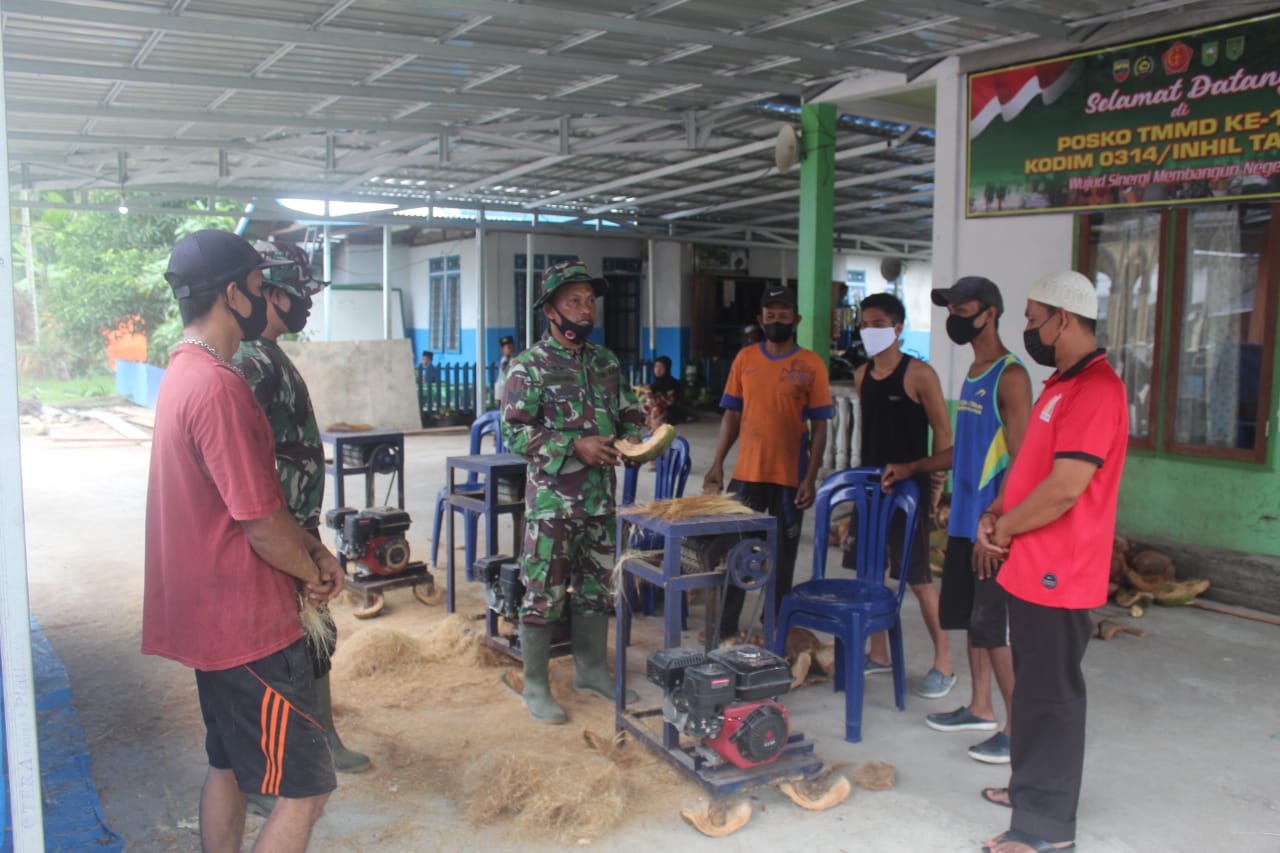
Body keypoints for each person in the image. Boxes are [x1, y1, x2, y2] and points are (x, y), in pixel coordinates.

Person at [142, 229, 344, 853]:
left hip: (211, 621)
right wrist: (312, 569)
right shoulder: (220, 386)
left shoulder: (182, 373)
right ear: (232, 294)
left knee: (227, 765)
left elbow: (254, 505)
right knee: (306, 792)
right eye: (259, 286)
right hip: (247, 625)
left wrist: (308, 546)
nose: (266, 298)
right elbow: (258, 522)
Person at [977, 272, 1128, 853]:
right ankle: (1029, 789)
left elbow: (1066, 488)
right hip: (1031, 563)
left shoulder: (1097, 390)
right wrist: (996, 510)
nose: (1028, 329)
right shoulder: (1061, 384)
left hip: (1060, 568)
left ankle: (1044, 829)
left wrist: (1004, 530)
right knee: (1034, 687)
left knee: (1051, 695)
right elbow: (1032, 467)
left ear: (1063, 319)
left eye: (1033, 318)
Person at [235, 242, 372, 818]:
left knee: (312, 636)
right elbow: (243, 460)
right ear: (270, 293)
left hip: (295, 528)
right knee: (271, 647)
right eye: (300, 295)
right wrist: (284, 537)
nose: (308, 306)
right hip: (273, 533)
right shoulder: (250, 361)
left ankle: (320, 740)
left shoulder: (271, 355)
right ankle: (261, 771)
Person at [501, 260, 647, 724]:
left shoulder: (605, 362)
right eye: (574, 302)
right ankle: (535, 684)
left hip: (600, 500)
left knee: (596, 588)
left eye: (589, 301)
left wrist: (636, 436)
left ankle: (591, 670)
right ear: (550, 310)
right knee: (543, 591)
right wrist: (573, 446)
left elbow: (627, 411)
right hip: (553, 505)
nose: (586, 310)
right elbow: (514, 433)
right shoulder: (529, 367)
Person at [910, 277, 1031, 765]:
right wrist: (916, 468)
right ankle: (980, 707)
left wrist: (997, 521)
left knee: (994, 629)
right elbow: (968, 450)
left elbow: (1023, 460)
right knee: (973, 624)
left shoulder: (1010, 375)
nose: (954, 317)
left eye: (963, 309)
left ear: (990, 313)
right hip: (963, 522)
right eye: (950, 309)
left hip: (989, 529)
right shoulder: (974, 371)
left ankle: (1018, 731)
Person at [704, 285, 831, 643]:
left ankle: (775, 625)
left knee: (783, 557)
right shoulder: (745, 359)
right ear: (760, 321)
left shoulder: (812, 365)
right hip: (747, 475)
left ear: (796, 319)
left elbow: (820, 426)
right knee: (735, 551)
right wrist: (717, 462)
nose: (777, 321)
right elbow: (732, 414)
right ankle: (726, 627)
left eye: (784, 315)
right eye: (771, 315)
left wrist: (810, 477)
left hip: (790, 479)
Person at [852, 292, 955, 699]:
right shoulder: (862, 375)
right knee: (869, 573)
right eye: (865, 324)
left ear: (897, 328)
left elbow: (943, 434)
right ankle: (879, 654)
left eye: (878, 324)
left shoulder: (919, 374)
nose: (870, 331)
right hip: (870, 489)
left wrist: (936, 485)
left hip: (909, 492)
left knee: (918, 578)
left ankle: (944, 663)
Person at [643, 355, 684, 429]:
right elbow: (649, 403)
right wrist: (648, 392)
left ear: (667, 368)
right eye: (656, 367)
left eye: (661, 367)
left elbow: (669, 402)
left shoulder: (673, 384)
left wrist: (649, 394)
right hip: (656, 415)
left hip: (669, 414)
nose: (657, 370)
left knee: (655, 410)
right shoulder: (654, 384)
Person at [494, 335, 517, 407]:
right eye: (508, 347)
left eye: (511, 346)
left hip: (511, 392)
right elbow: (506, 372)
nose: (510, 349)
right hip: (502, 392)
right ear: (502, 349)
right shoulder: (504, 361)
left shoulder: (516, 359)